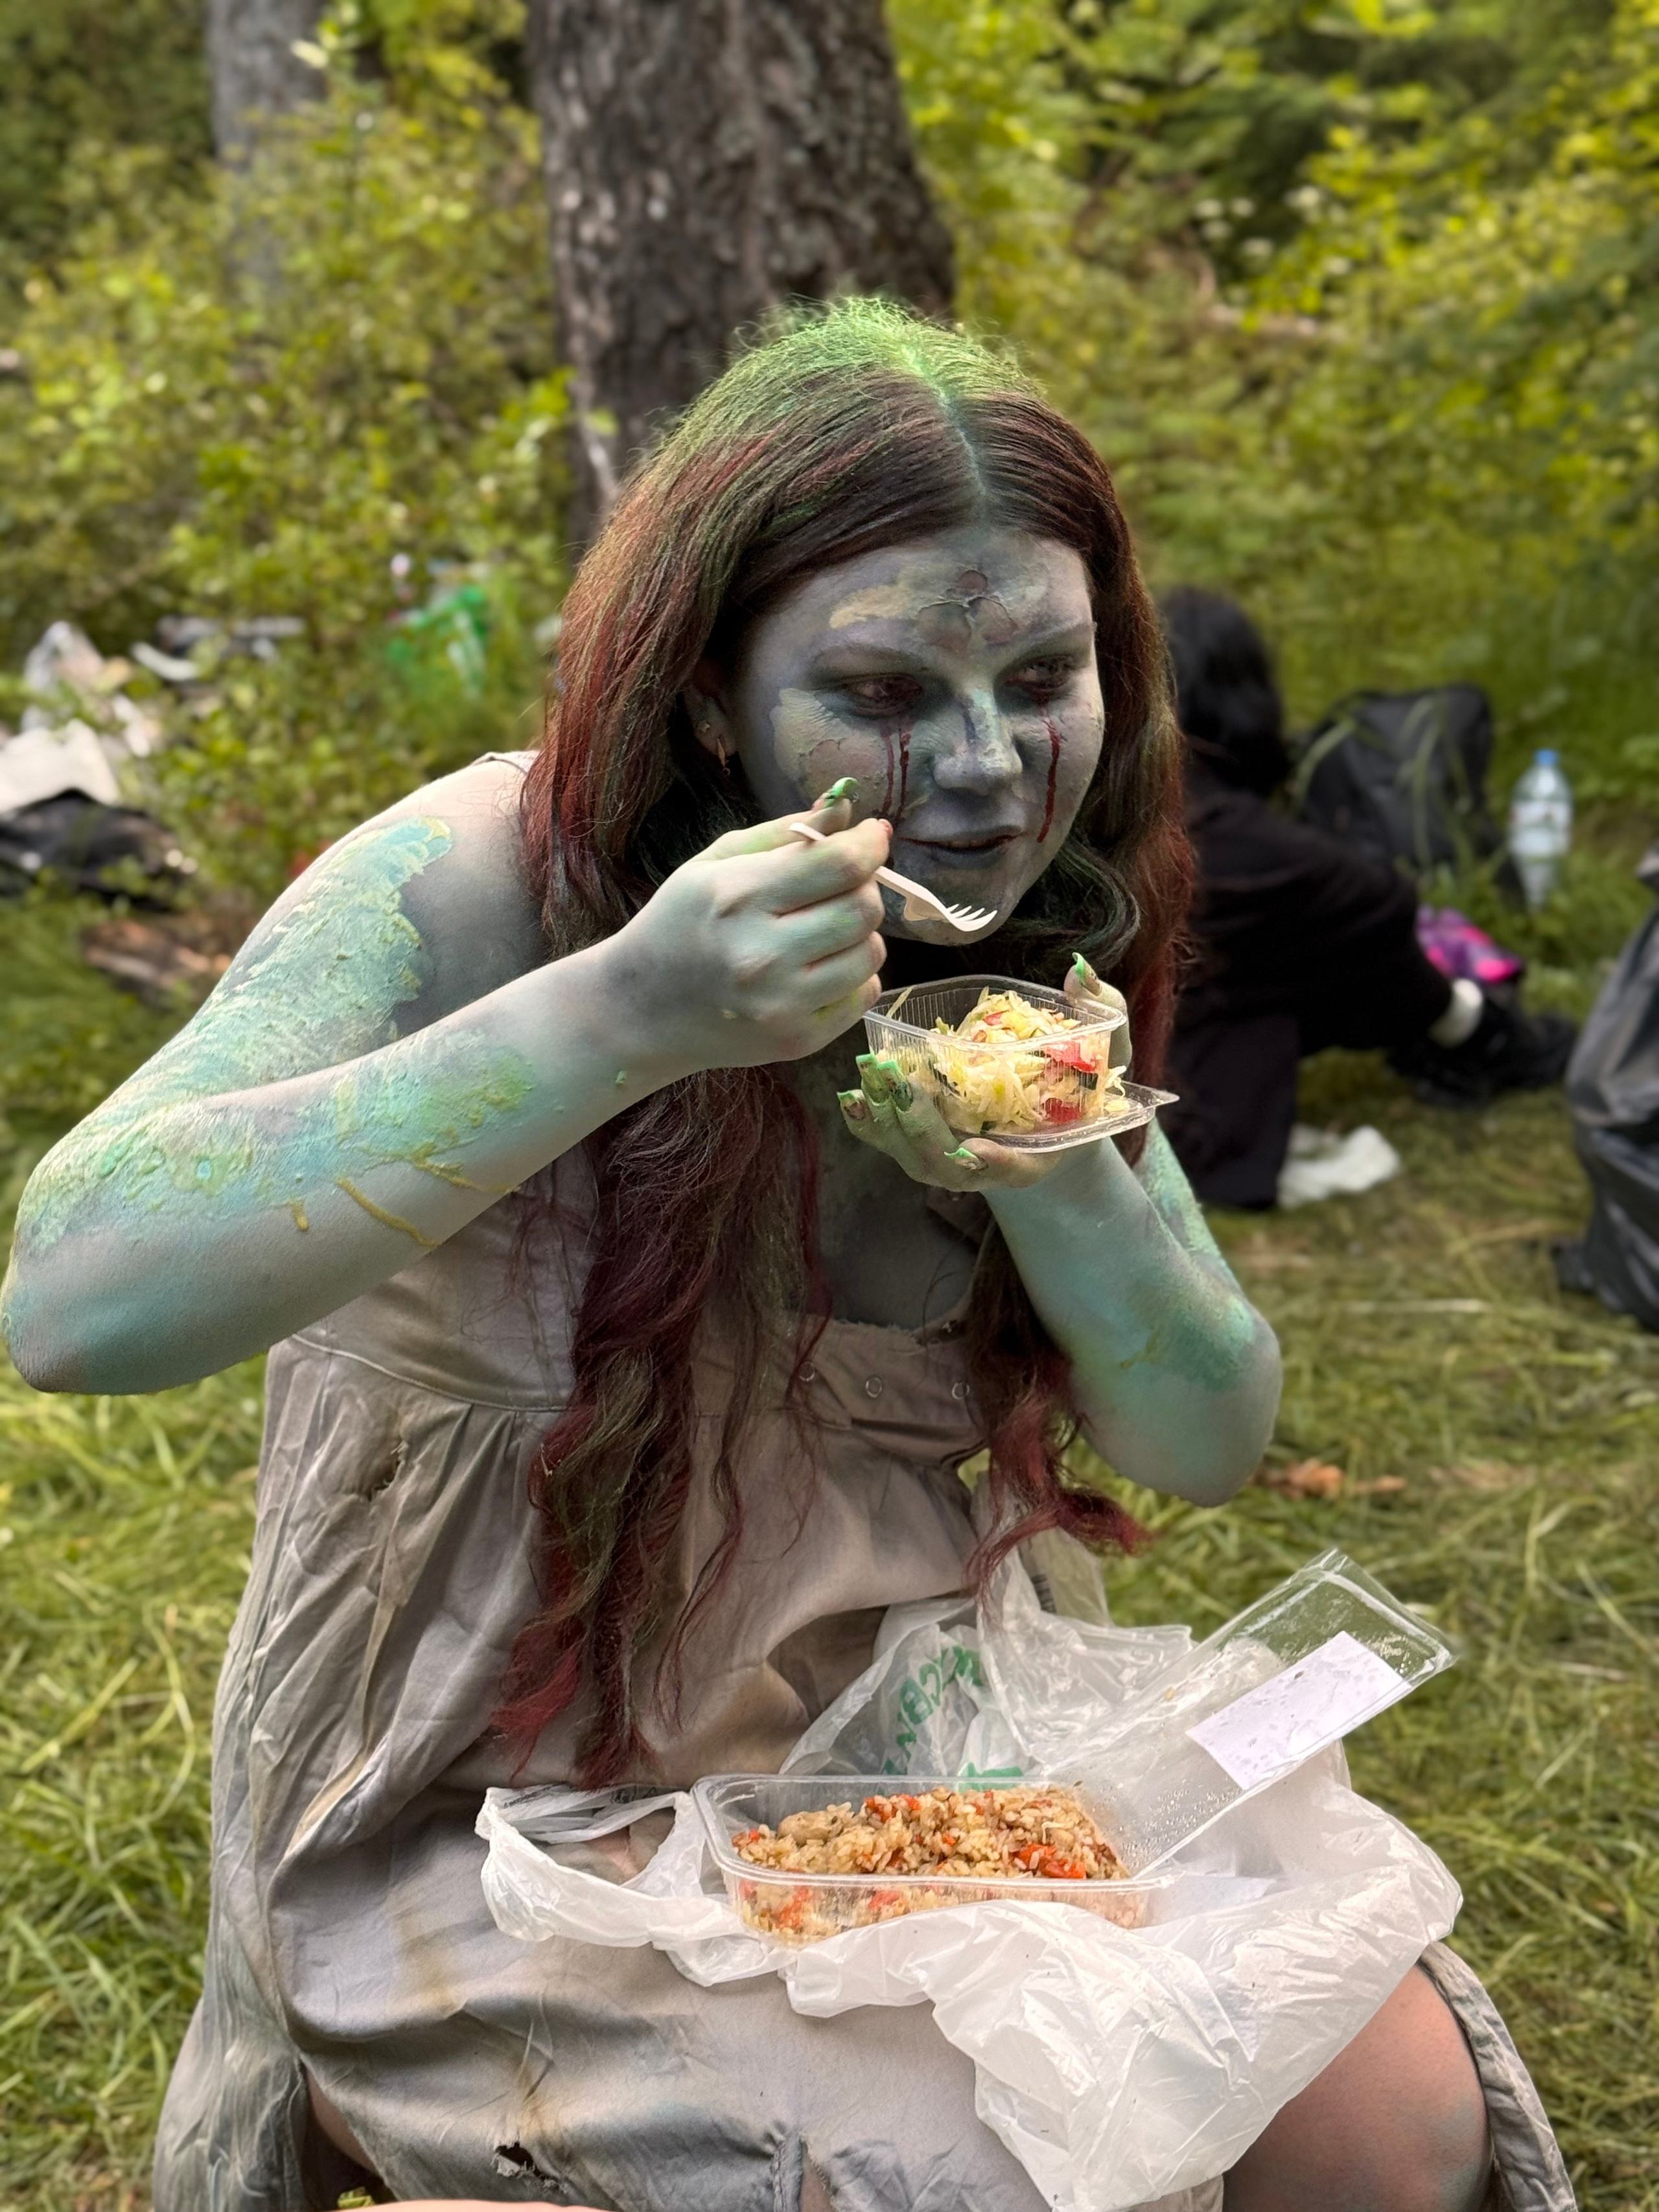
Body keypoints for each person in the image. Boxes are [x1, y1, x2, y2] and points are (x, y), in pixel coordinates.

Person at [1, 307, 1540, 2212]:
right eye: (885, 687)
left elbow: (1206, 1429)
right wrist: (625, 1015)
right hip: (493, 1798)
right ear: (713, 693)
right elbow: (74, 1299)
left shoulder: (1021, 945)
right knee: (994, 2179)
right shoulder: (494, 874)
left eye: (1045, 673)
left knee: (1385, 2120)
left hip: (886, 1749)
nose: (987, 765)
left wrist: (1058, 1169)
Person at [1159, 587, 1574, 1209]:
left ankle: (1473, 1032)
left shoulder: (1129, 795)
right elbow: (1380, 903)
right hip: (1170, 1102)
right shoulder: (1225, 834)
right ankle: (1480, 1035)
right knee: (1352, 934)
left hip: (1110, 1047)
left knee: (1308, 933)